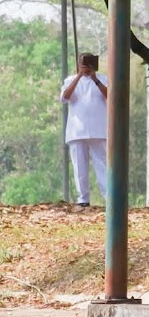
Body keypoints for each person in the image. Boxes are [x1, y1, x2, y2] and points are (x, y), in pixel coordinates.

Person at [60, 52, 108, 208]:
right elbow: (65, 97)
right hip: (77, 130)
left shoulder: (103, 79)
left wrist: (94, 78)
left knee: (102, 164)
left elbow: (110, 95)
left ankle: (109, 197)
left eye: (89, 64)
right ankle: (83, 198)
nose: (86, 67)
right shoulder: (70, 80)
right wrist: (79, 76)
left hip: (98, 129)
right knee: (79, 166)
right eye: (83, 64)